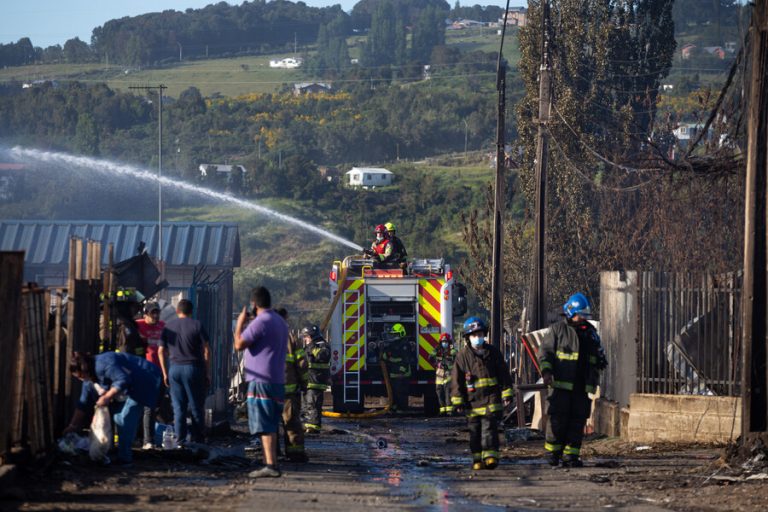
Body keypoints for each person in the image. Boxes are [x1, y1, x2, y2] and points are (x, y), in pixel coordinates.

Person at [539, 292, 607, 468]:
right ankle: (552, 454)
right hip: (560, 386)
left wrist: (600, 359)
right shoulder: (557, 331)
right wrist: (546, 372)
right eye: (579, 315)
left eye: (584, 316)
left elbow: (597, 356)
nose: (582, 319)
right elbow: (546, 354)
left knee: (577, 422)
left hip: (582, 387)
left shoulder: (590, 333)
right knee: (557, 421)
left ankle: (571, 456)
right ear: (570, 312)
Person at [64, 351, 162, 465]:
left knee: (125, 418)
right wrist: (72, 425)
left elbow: (122, 379)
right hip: (127, 389)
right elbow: (83, 403)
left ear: (85, 370)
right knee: (117, 417)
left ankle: (125, 458)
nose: (80, 379)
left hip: (143, 380)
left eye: (80, 376)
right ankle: (118, 451)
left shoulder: (105, 364)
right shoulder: (88, 380)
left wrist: (107, 396)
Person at [234, 286, 288, 478]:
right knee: (272, 423)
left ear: (254, 304)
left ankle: (270, 465)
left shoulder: (261, 322)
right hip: (277, 380)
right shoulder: (280, 322)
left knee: (264, 424)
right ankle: (272, 462)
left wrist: (240, 323)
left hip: (261, 379)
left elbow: (239, 344)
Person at [450, 317, 513, 470]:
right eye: (474, 335)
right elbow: (456, 380)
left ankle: (490, 456)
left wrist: (507, 393)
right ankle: (477, 459)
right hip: (472, 402)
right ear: (467, 338)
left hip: (491, 399)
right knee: (475, 432)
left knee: (489, 428)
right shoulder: (462, 357)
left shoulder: (493, 353)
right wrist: (457, 401)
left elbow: (503, 374)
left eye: (480, 334)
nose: (477, 338)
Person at [159, 299, 211, 445]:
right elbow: (207, 350)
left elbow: (161, 350)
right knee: (196, 407)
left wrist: (165, 372)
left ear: (177, 311)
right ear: (191, 311)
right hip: (193, 368)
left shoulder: (168, 327)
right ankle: (198, 441)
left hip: (175, 369)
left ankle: (180, 441)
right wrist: (207, 372)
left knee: (178, 408)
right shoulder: (197, 325)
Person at [276, 308, 309, 462]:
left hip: (268, 389)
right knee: (292, 422)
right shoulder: (290, 338)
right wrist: (304, 383)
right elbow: (302, 364)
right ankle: (295, 453)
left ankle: (272, 454)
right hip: (289, 390)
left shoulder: (264, 336)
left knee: (270, 423)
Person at [136, 301, 165, 449]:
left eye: (157, 312)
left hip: (160, 373)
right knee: (148, 407)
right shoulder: (138, 325)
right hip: (145, 373)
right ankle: (147, 440)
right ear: (145, 314)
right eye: (152, 313)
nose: (155, 316)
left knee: (155, 407)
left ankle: (145, 437)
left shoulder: (163, 326)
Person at [301, 324, 330, 434]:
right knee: (306, 406)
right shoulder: (309, 346)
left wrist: (312, 346)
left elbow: (323, 356)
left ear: (311, 336)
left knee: (313, 405)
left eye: (306, 336)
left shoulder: (321, 345)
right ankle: (306, 426)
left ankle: (313, 428)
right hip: (308, 381)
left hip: (316, 381)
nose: (304, 339)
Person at [381, 323, 412, 412]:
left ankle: (401, 409)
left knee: (401, 393)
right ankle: (394, 407)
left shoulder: (405, 345)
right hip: (394, 373)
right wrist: (385, 354)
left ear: (401, 333)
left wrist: (401, 370)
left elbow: (406, 360)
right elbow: (385, 356)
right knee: (393, 392)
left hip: (402, 373)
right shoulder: (393, 344)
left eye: (396, 334)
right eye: (393, 334)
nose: (394, 336)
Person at [431, 333, 457, 416]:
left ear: (449, 342)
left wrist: (448, 359)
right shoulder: (438, 349)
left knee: (447, 393)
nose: (444, 343)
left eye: (446, 341)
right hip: (439, 374)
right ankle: (442, 410)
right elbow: (430, 357)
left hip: (448, 374)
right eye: (443, 341)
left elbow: (456, 357)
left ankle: (449, 411)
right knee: (439, 393)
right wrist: (435, 351)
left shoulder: (452, 350)